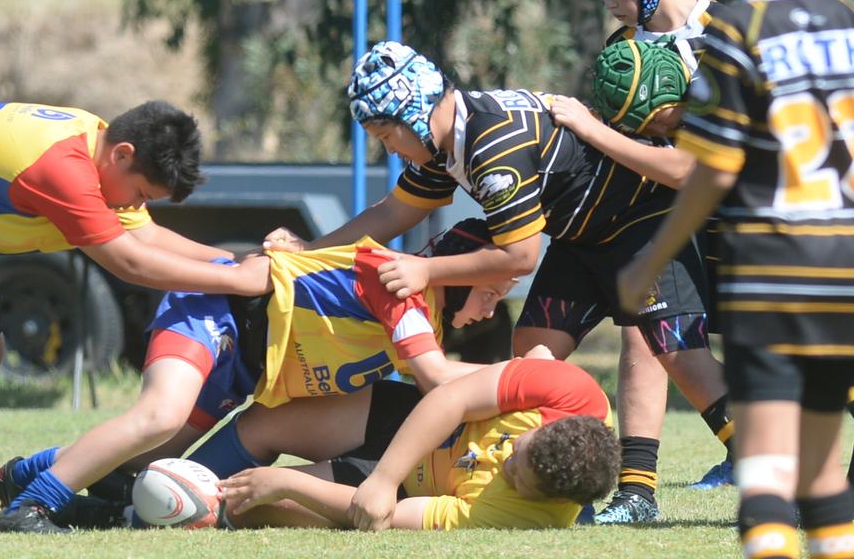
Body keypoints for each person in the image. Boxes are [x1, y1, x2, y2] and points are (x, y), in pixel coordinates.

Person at [262, 40, 731, 523]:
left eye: (385, 136)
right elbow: (393, 212)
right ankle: (565, 483)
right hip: (580, 236)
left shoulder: (492, 144)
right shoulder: (447, 144)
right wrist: (310, 251)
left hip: (642, 224)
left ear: (414, 114)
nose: (388, 148)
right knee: (533, 347)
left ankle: (759, 479)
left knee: (681, 355)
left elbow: (521, 256)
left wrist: (425, 269)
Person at [0, 100, 266, 539]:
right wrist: (240, 281)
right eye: (142, 194)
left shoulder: (103, 155)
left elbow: (146, 235)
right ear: (122, 154)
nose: (139, 204)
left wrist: (239, 262)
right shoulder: (64, 167)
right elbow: (131, 262)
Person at [619, 0, 854, 559]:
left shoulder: (739, 30)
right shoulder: (846, 21)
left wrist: (650, 262)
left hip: (769, 273)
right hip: (840, 271)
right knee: (823, 473)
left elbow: (712, 171)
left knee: (768, 481)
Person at [0, 219, 518, 532]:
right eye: (490, 292)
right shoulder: (401, 287)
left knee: (163, 472)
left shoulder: (424, 317)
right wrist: (519, 376)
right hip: (216, 312)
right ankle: (32, 504)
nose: (491, 310)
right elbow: (433, 377)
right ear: (457, 268)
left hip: (244, 370)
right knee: (158, 418)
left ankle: (30, 472)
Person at [574, 0, 739, 511]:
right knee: (647, 333)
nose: (613, 4)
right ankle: (638, 490)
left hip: (743, 217)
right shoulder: (624, 54)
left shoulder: (725, 28)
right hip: (667, 213)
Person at [219, 357, 618, 531]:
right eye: (519, 447)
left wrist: (289, 483)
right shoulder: (573, 394)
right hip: (407, 419)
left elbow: (390, 516)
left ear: (548, 499)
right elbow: (451, 398)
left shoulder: (522, 516)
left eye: (518, 476)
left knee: (240, 505)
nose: (505, 460)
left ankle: (171, 497)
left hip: (398, 491)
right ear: (550, 427)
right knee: (264, 422)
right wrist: (385, 477)